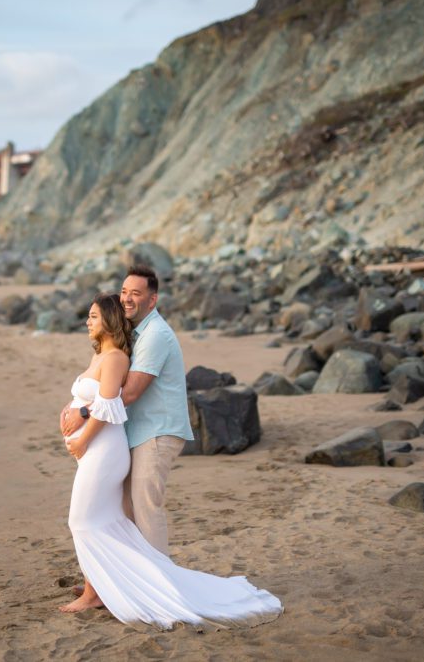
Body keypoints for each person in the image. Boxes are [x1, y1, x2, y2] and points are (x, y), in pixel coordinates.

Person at [58, 292, 282, 628]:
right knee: (103, 521)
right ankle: (98, 587)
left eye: (93, 316)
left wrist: (82, 440)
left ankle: (97, 592)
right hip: (93, 452)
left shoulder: (115, 357)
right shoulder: (98, 356)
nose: (87, 322)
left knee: (82, 521)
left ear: (108, 319)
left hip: (103, 451)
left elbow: (108, 406)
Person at [61, 264, 191, 556]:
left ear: (152, 299)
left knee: (146, 506)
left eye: (136, 293)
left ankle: (161, 583)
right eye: (123, 292)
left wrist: (81, 414)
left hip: (157, 432)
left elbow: (129, 392)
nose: (127, 299)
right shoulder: (132, 332)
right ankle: (134, 577)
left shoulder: (155, 334)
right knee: (125, 508)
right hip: (136, 431)